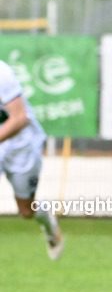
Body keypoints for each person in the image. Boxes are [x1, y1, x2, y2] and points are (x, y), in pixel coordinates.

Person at [0, 59, 63, 259]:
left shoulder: (2, 73)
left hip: (22, 144)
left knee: (26, 210)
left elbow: (20, 118)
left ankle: (48, 223)